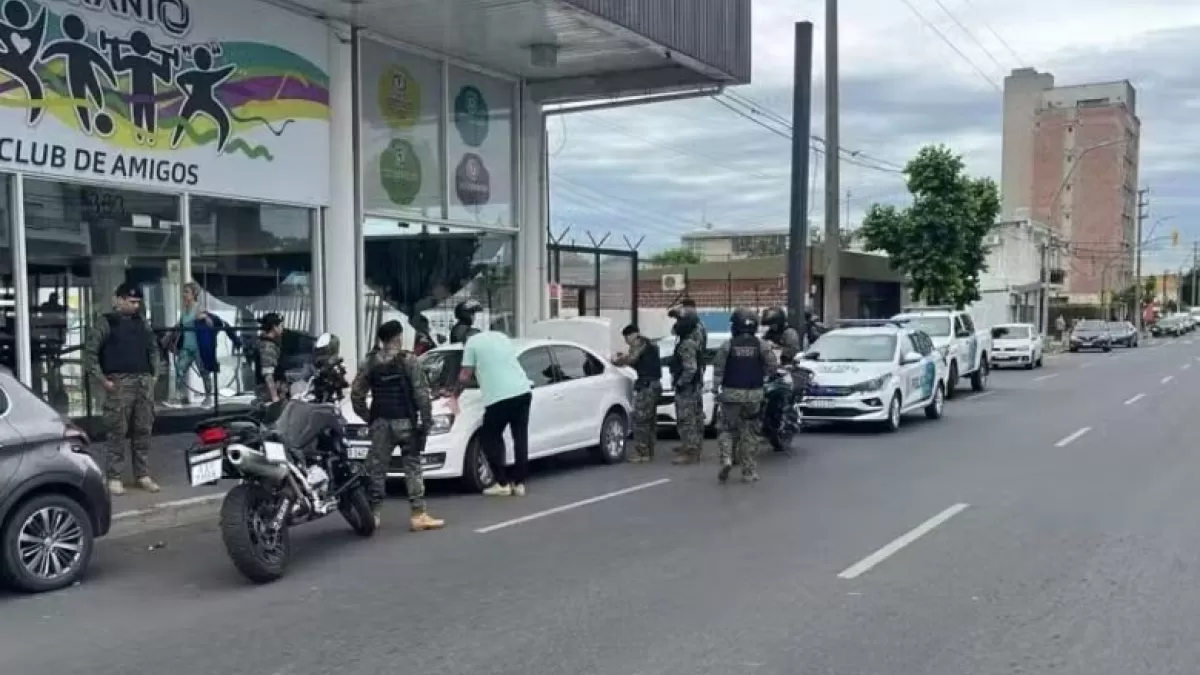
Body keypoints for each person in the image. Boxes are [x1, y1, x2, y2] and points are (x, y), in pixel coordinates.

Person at [349, 320, 444, 531]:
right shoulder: (408, 360)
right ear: (398, 337)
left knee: (377, 469)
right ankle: (418, 514)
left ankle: (373, 514)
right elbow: (421, 394)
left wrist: (370, 417)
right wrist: (426, 421)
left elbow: (356, 395)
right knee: (412, 467)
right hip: (406, 422)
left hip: (381, 423)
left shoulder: (370, 362)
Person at [82, 283, 161, 495]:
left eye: (138, 302)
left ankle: (142, 474)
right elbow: (90, 354)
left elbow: (153, 348)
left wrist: (154, 375)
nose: (135, 306)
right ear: (119, 300)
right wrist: (102, 380)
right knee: (117, 431)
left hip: (143, 382)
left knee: (143, 429)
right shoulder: (105, 323)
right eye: (131, 301)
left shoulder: (142, 323)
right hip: (119, 382)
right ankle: (114, 476)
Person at [453, 330, 532, 495]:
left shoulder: (471, 343)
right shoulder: (500, 336)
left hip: (499, 397)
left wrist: (454, 394)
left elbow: (465, 374)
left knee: (490, 436)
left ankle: (502, 483)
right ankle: (519, 483)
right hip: (523, 391)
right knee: (520, 436)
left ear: (465, 339)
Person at [712, 308, 779, 483]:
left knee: (726, 429)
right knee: (750, 433)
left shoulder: (728, 345)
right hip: (754, 395)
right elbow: (772, 365)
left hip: (731, 394)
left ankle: (727, 458)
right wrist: (763, 375)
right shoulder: (761, 345)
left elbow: (718, 370)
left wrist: (715, 390)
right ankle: (748, 471)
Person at [612, 324, 662, 462]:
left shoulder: (638, 343)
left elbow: (632, 359)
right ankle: (649, 450)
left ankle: (642, 452)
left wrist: (617, 361)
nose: (626, 341)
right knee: (650, 420)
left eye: (626, 338)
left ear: (632, 335)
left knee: (641, 420)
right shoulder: (649, 344)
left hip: (646, 386)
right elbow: (640, 361)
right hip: (655, 384)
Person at [669, 305, 705, 464]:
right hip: (693, 386)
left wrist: (680, 382)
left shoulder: (687, 344)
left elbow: (690, 368)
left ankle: (691, 451)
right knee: (694, 417)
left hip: (687, 388)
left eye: (679, 321)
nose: (676, 324)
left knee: (687, 418)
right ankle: (691, 446)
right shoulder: (691, 340)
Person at [252, 312, 285, 405]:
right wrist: (275, 398)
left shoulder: (268, 343)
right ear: (274, 327)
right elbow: (268, 375)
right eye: (281, 326)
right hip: (268, 395)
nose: (282, 329)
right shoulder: (268, 347)